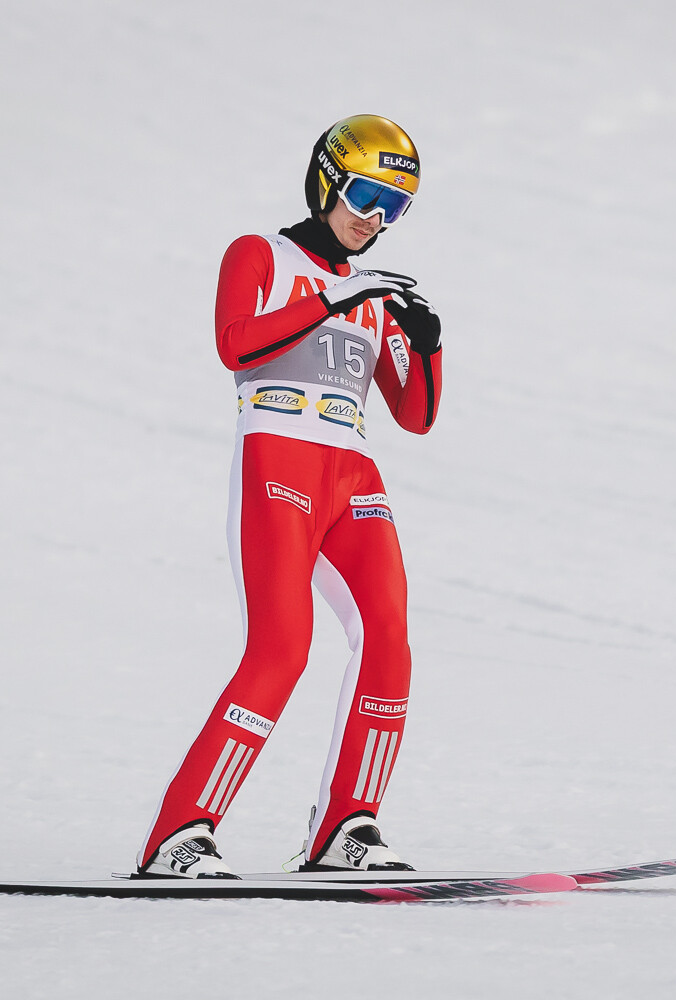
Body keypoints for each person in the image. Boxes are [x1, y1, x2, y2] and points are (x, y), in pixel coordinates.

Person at [136, 115, 442, 878]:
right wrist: (336, 299)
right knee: (281, 648)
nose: (375, 219)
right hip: (279, 458)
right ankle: (179, 833)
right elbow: (235, 343)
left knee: (389, 637)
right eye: (365, 195)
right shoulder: (260, 253)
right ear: (326, 181)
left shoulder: (372, 292)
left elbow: (415, 414)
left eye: (395, 207)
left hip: (354, 472)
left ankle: (348, 826)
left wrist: (428, 345)